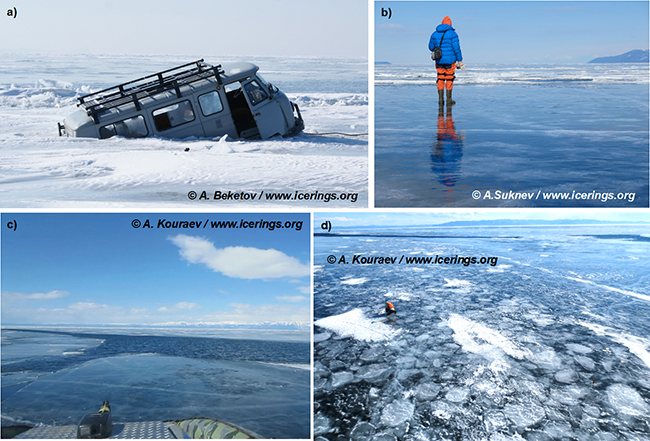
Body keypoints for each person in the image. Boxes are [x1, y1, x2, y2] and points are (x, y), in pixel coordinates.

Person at [428, 16, 465, 106]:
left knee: (440, 78)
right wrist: (460, 60)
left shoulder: (434, 34)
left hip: (439, 60)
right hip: (450, 60)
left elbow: (430, 47)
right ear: (450, 24)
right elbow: (456, 48)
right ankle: (449, 100)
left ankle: (440, 100)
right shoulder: (453, 34)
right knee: (449, 78)